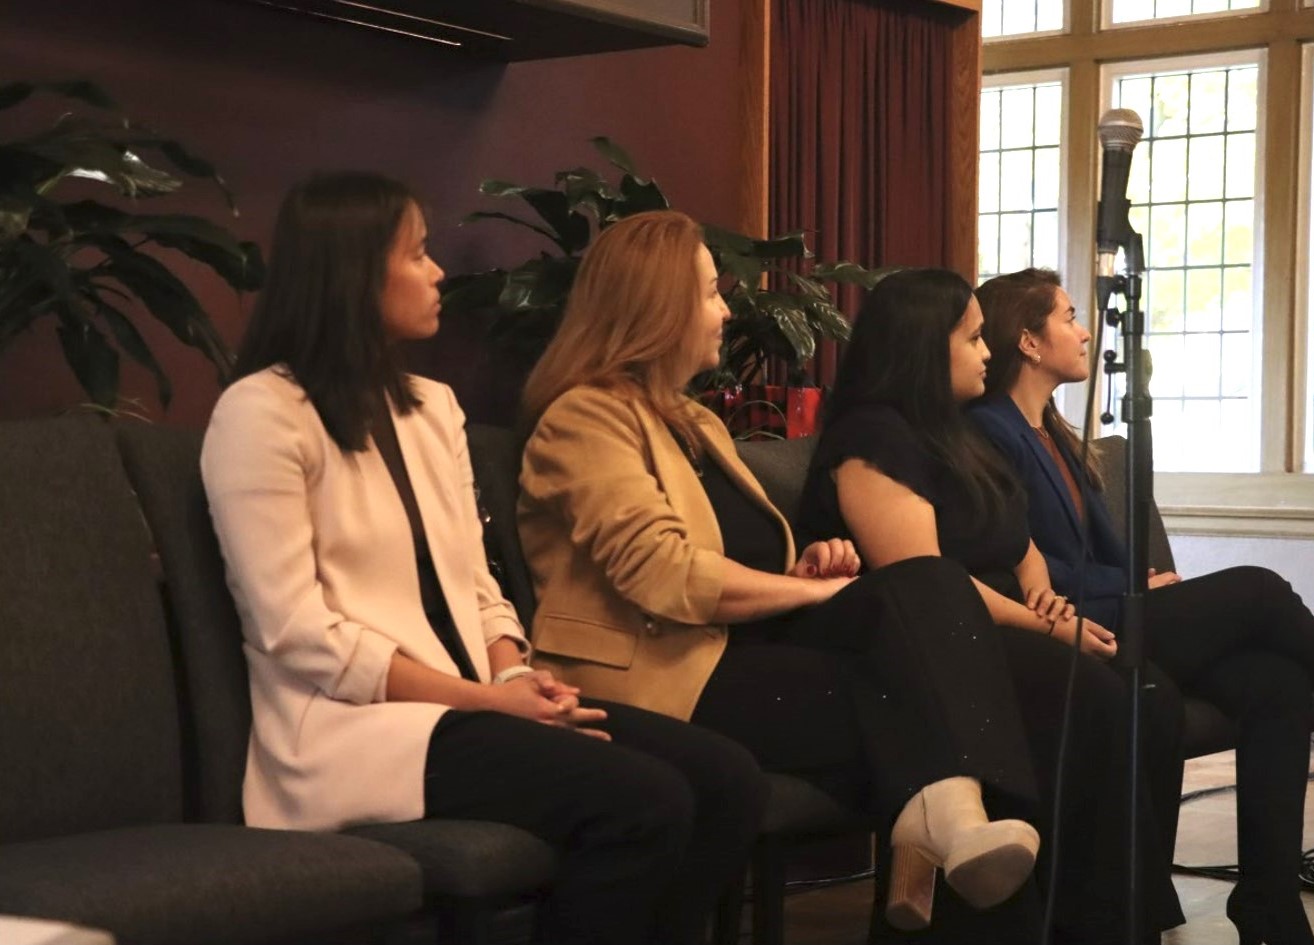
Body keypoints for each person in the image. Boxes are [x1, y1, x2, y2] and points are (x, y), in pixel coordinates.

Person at [200, 172, 768, 945]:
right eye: (419, 253)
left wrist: (511, 676)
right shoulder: (261, 413)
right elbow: (295, 631)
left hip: (467, 703)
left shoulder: (431, 408)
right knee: (644, 799)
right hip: (354, 732)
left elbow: (476, 580)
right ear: (357, 271)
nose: (437, 272)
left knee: (726, 779)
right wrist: (484, 702)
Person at [517, 210, 1048, 939]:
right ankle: (949, 818)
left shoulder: (694, 423)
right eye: (709, 293)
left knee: (926, 590)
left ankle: (950, 817)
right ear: (656, 305)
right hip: (658, 675)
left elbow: (736, 556)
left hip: (737, 653)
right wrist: (815, 589)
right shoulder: (583, 419)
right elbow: (664, 573)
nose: (725, 310)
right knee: (922, 698)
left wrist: (801, 563)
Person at [971, 266, 1314, 945]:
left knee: (1276, 682)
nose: (1085, 329)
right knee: (1258, 588)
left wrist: (1144, 581)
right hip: (1072, 625)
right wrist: (1127, 590)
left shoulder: (1057, 435)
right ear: (1029, 342)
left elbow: (1100, 548)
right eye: (1068, 316)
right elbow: (1023, 562)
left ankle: (1268, 897)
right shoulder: (989, 430)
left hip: (1117, 604)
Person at [798, 267, 1187, 944]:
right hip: (912, 649)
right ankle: (1081, 923)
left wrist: (1045, 597)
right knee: (1086, 696)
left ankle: (1112, 922)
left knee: (1136, 694)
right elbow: (926, 581)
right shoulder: (871, 437)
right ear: (925, 346)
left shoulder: (946, 434)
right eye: (973, 337)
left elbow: (1017, 540)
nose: (987, 352)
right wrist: (1047, 624)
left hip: (991, 623)